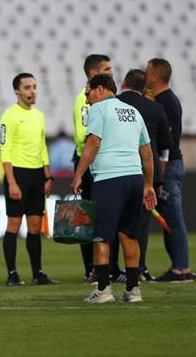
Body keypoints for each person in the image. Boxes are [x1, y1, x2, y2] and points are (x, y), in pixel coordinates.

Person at [72, 74, 156, 303]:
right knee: (129, 235)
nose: (87, 99)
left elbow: (93, 143)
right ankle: (133, 290)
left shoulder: (99, 110)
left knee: (101, 236)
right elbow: (147, 153)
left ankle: (103, 290)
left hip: (109, 178)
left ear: (99, 89)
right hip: (134, 178)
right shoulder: (133, 112)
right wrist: (148, 185)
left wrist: (78, 174)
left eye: (88, 92)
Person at [0, 73, 58, 286]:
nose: (32, 91)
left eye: (34, 87)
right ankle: (12, 274)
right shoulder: (9, 116)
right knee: (13, 225)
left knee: (34, 226)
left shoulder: (39, 115)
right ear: (17, 91)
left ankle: (37, 273)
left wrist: (47, 175)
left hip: (36, 175)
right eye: (27, 88)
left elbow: (42, 146)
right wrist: (12, 182)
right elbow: (4, 150)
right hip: (18, 174)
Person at [72, 54, 125, 284]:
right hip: (90, 162)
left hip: (101, 161)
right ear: (94, 74)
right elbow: (85, 135)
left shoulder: (108, 103)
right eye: (106, 68)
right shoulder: (85, 101)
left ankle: (109, 268)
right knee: (89, 218)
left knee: (108, 217)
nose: (112, 71)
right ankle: (93, 270)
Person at [117, 69, 172, 282]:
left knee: (113, 223)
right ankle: (138, 269)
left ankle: (112, 269)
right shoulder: (156, 108)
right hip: (148, 174)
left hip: (118, 171)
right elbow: (165, 145)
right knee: (141, 226)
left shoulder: (113, 105)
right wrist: (158, 178)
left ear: (124, 82)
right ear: (144, 87)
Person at [145, 58, 193, 283]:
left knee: (173, 219)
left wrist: (160, 176)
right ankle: (179, 266)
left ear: (154, 77)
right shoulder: (168, 99)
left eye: (148, 72)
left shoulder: (164, 102)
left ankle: (181, 269)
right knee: (170, 218)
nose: (145, 75)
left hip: (169, 165)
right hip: (173, 163)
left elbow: (165, 143)